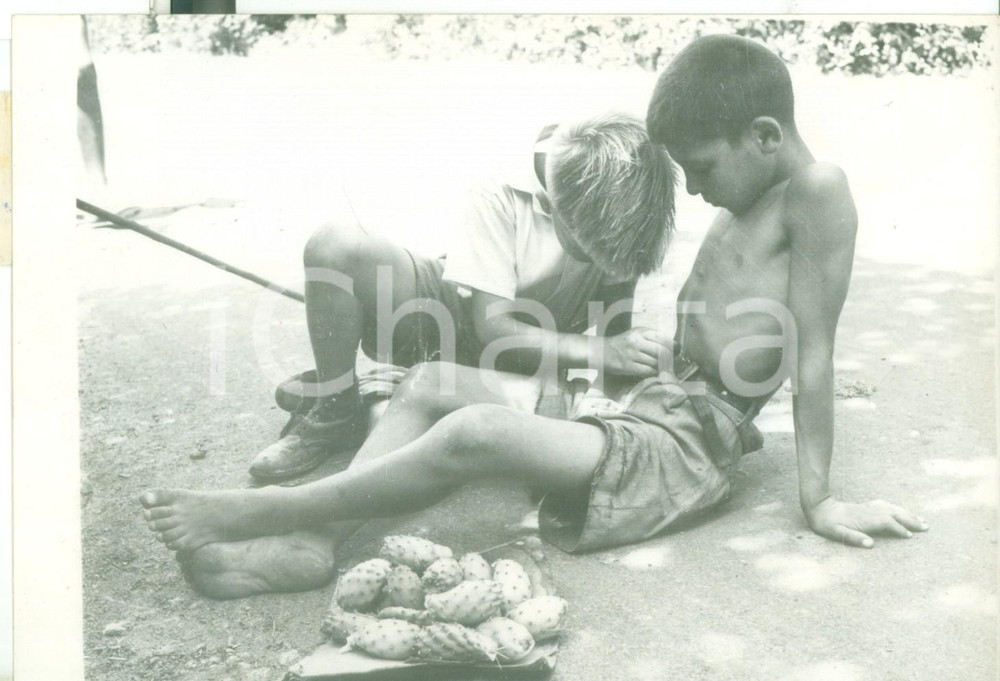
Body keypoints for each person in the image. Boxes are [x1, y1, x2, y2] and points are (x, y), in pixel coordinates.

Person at [141, 35, 928, 600]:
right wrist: (610, 360)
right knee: (431, 378)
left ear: (763, 136)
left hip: (687, 442)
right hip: (648, 403)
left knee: (473, 434)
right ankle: (313, 542)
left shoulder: (819, 189)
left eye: (700, 168)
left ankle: (265, 513)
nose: (691, 191)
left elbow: (814, 353)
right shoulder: (755, 188)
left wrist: (819, 499)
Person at [249, 113, 676, 481]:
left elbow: (613, 331)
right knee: (335, 245)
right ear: (560, 203)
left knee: (406, 431)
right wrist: (602, 351)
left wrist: (614, 374)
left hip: (535, 357)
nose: (603, 266)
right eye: (590, 252)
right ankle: (337, 406)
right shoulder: (498, 189)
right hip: (452, 323)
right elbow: (493, 329)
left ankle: (390, 400)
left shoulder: (623, 197)